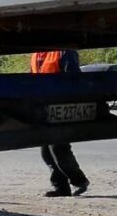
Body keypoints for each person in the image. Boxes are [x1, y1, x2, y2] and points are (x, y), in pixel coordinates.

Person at [31, 50, 89, 197]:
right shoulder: (35, 55)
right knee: (46, 152)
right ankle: (61, 187)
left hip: (60, 105)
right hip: (42, 107)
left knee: (58, 148)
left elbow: (74, 79)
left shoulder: (63, 52)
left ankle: (79, 181)